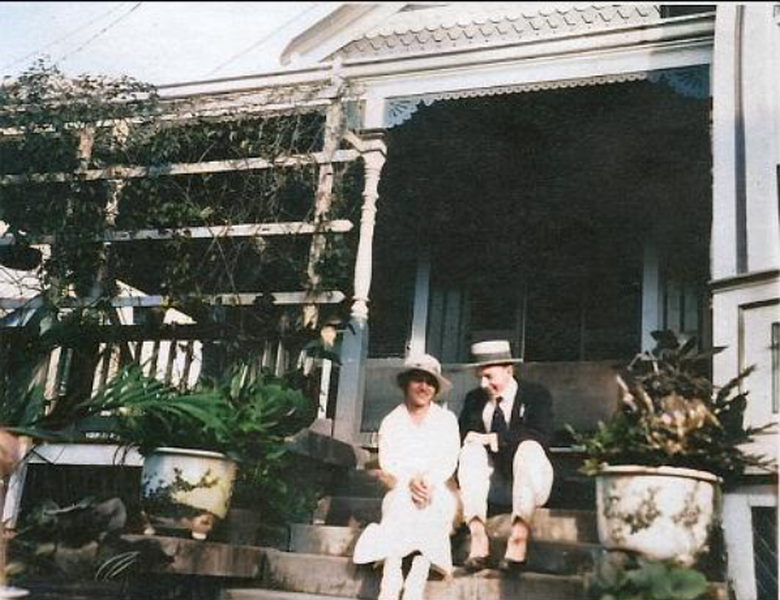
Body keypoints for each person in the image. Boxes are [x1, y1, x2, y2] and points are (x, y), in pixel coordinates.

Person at [353, 354, 461, 600]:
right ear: (405, 383)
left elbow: (448, 459)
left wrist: (428, 483)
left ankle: (417, 577)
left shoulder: (446, 420)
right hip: (402, 485)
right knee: (401, 502)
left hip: (436, 487)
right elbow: (388, 462)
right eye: (417, 380)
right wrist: (409, 481)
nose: (424, 387)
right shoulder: (392, 421)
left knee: (434, 506)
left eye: (430, 382)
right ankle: (391, 577)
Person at [457, 340, 554, 572]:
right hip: (496, 486)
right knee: (470, 450)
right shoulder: (474, 400)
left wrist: (495, 438)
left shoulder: (535, 394)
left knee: (528, 447)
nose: (483, 384)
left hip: (533, 482)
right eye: (480, 377)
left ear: (508, 370)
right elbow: (462, 435)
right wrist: (470, 438)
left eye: (489, 377)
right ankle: (478, 537)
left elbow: (542, 434)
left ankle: (518, 539)